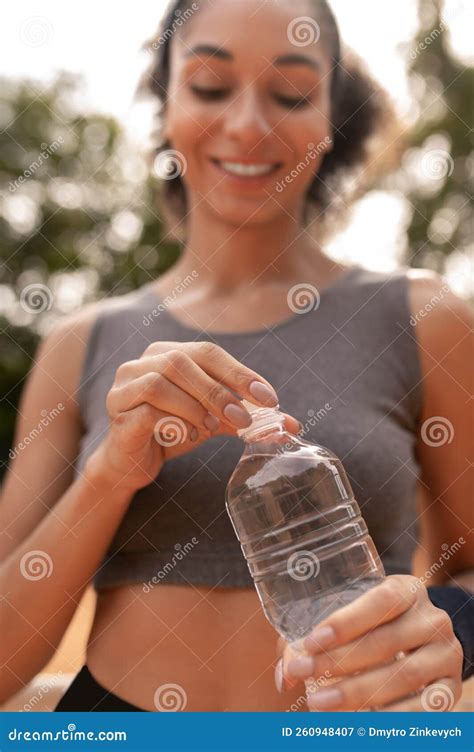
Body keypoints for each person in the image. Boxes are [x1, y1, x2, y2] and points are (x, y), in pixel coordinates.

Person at [1, 0, 472, 713]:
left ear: (329, 121)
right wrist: (110, 473)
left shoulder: (424, 317)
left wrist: (454, 628)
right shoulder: (80, 342)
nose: (249, 125)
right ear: (165, 106)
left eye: (290, 94)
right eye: (211, 86)